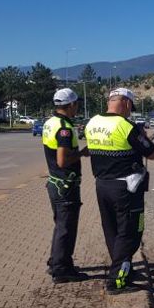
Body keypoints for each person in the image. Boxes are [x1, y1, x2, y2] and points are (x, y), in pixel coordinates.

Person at [85, 88, 154, 294]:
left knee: (112, 231)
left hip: (102, 185)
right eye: (130, 108)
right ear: (125, 103)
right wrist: (144, 136)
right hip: (126, 189)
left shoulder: (92, 123)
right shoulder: (127, 126)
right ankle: (117, 280)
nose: (130, 112)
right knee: (132, 231)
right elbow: (152, 154)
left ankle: (125, 268)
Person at [42, 88, 90, 283]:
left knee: (60, 226)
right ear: (71, 105)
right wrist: (82, 153)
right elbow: (62, 160)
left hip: (55, 182)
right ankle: (61, 270)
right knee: (66, 228)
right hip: (65, 184)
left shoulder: (49, 123)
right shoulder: (64, 128)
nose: (77, 107)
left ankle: (56, 262)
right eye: (76, 104)